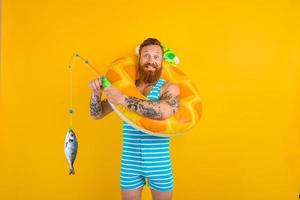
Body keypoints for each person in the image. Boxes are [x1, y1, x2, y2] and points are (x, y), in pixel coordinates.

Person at [89, 38, 180, 200]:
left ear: (162, 61)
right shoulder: (125, 87)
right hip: (130, 164)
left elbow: (164, 111)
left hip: (159, 165)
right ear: (139, 59)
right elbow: (97, 114)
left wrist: (123, 100)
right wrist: (96, 93)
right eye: (146, 55)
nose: (151, 60)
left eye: (156, 56)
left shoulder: (169, 88)